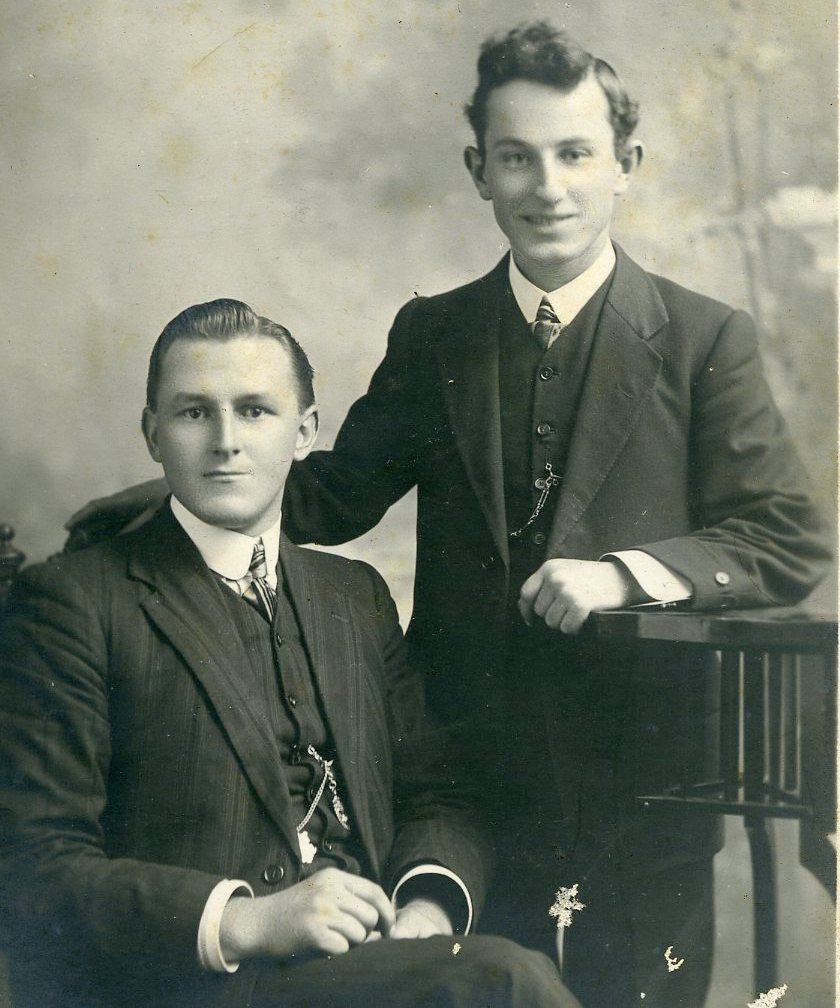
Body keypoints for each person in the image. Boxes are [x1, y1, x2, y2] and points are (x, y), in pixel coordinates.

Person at [65, 23, 831, 1007]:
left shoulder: (700, 339)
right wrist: (166, 499)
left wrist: (626, 572)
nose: (547, 185)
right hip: (470, 782)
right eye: (517, 157)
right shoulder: (436, 336)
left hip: (641, 779)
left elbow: (787, 535)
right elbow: (332, 493)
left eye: (573, 155)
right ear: (479, 171)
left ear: (624, 166)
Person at [0, 299, 576, 1008]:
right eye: (192, 413)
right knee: (506, 983)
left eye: (254, 412)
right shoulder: (73, 603)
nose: (224, 443)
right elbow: (33, 865)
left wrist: (425, 909)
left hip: (366, 970)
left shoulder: (353, 596)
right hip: (192, 983)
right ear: (152, 434)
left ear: (304, 433)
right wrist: (246, 921)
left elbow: (440, 793)